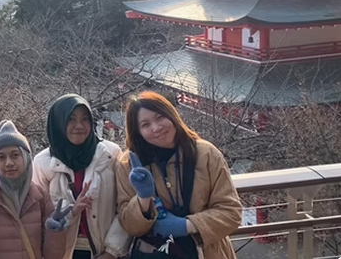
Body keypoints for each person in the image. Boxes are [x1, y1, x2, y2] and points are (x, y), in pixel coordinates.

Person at [116, 91, 241, 259]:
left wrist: (188, 225)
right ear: (137, 131)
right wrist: (142, 199)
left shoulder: (206, 154)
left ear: (172, 115)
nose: (156, 127)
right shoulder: (130, 164)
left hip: (208, 252)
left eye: (160, 117)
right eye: (145, 125)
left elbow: (231, 212)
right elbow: (130, 226)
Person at [33, 94, 130, 259]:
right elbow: (37, 216)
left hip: (103, 250)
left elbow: (124, 206)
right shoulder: (42, 163)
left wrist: (111, 252)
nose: (79, 126)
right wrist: (71, 212)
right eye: (71, 119)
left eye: (85, 119)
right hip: (61, 251)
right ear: (58, 122)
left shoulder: (110, 154)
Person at [0, 120, 67, 259]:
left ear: (26, 157)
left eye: (15, 155)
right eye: (1, 157)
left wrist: (55, 232)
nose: (9, 163)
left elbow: (53, 256)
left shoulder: (40, 197)